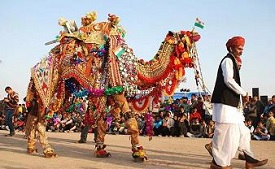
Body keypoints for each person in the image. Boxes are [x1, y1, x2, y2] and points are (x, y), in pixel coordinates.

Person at [209, 36, 268, 169]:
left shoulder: (232, 62)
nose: (241, 50)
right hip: (224, 105)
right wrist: (244, 92)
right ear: (231, 48)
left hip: (232, 107)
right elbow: (228, 80)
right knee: (224, 135)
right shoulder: (227, 61)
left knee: (243, 133)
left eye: (242, 48)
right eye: (239, 48)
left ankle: (249, 158)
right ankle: (219, 163)